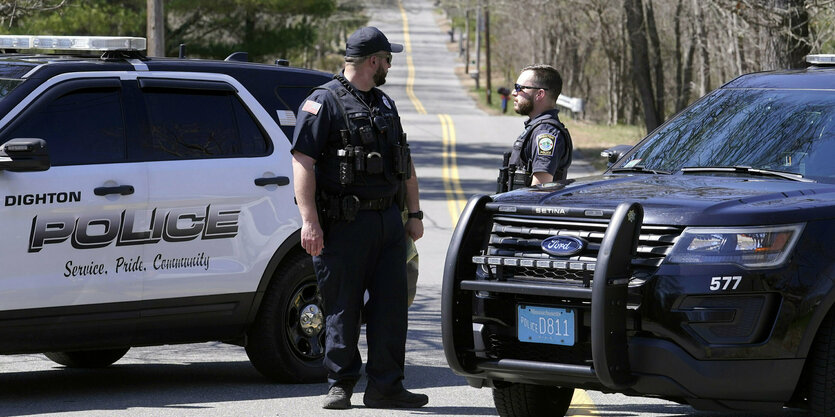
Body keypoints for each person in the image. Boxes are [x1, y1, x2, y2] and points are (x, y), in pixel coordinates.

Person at [291, 26, 427, 410]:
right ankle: (341, 384)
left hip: (387, 222)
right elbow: (302, 161)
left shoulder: (384, 104)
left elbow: (405, 161)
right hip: (343, 225)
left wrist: (414, 214)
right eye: (387, 59)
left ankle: (387, 386)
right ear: (372, 61)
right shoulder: (324, 103)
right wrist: (310, 221)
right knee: (342, 307)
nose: (389, 66)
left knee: (390, 307)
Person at [497, 64, 573, 192]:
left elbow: (540, 189)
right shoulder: (536, 127)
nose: (514, 92)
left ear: (539, 94)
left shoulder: (546, 132)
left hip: (526, 209)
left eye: (519, 88)